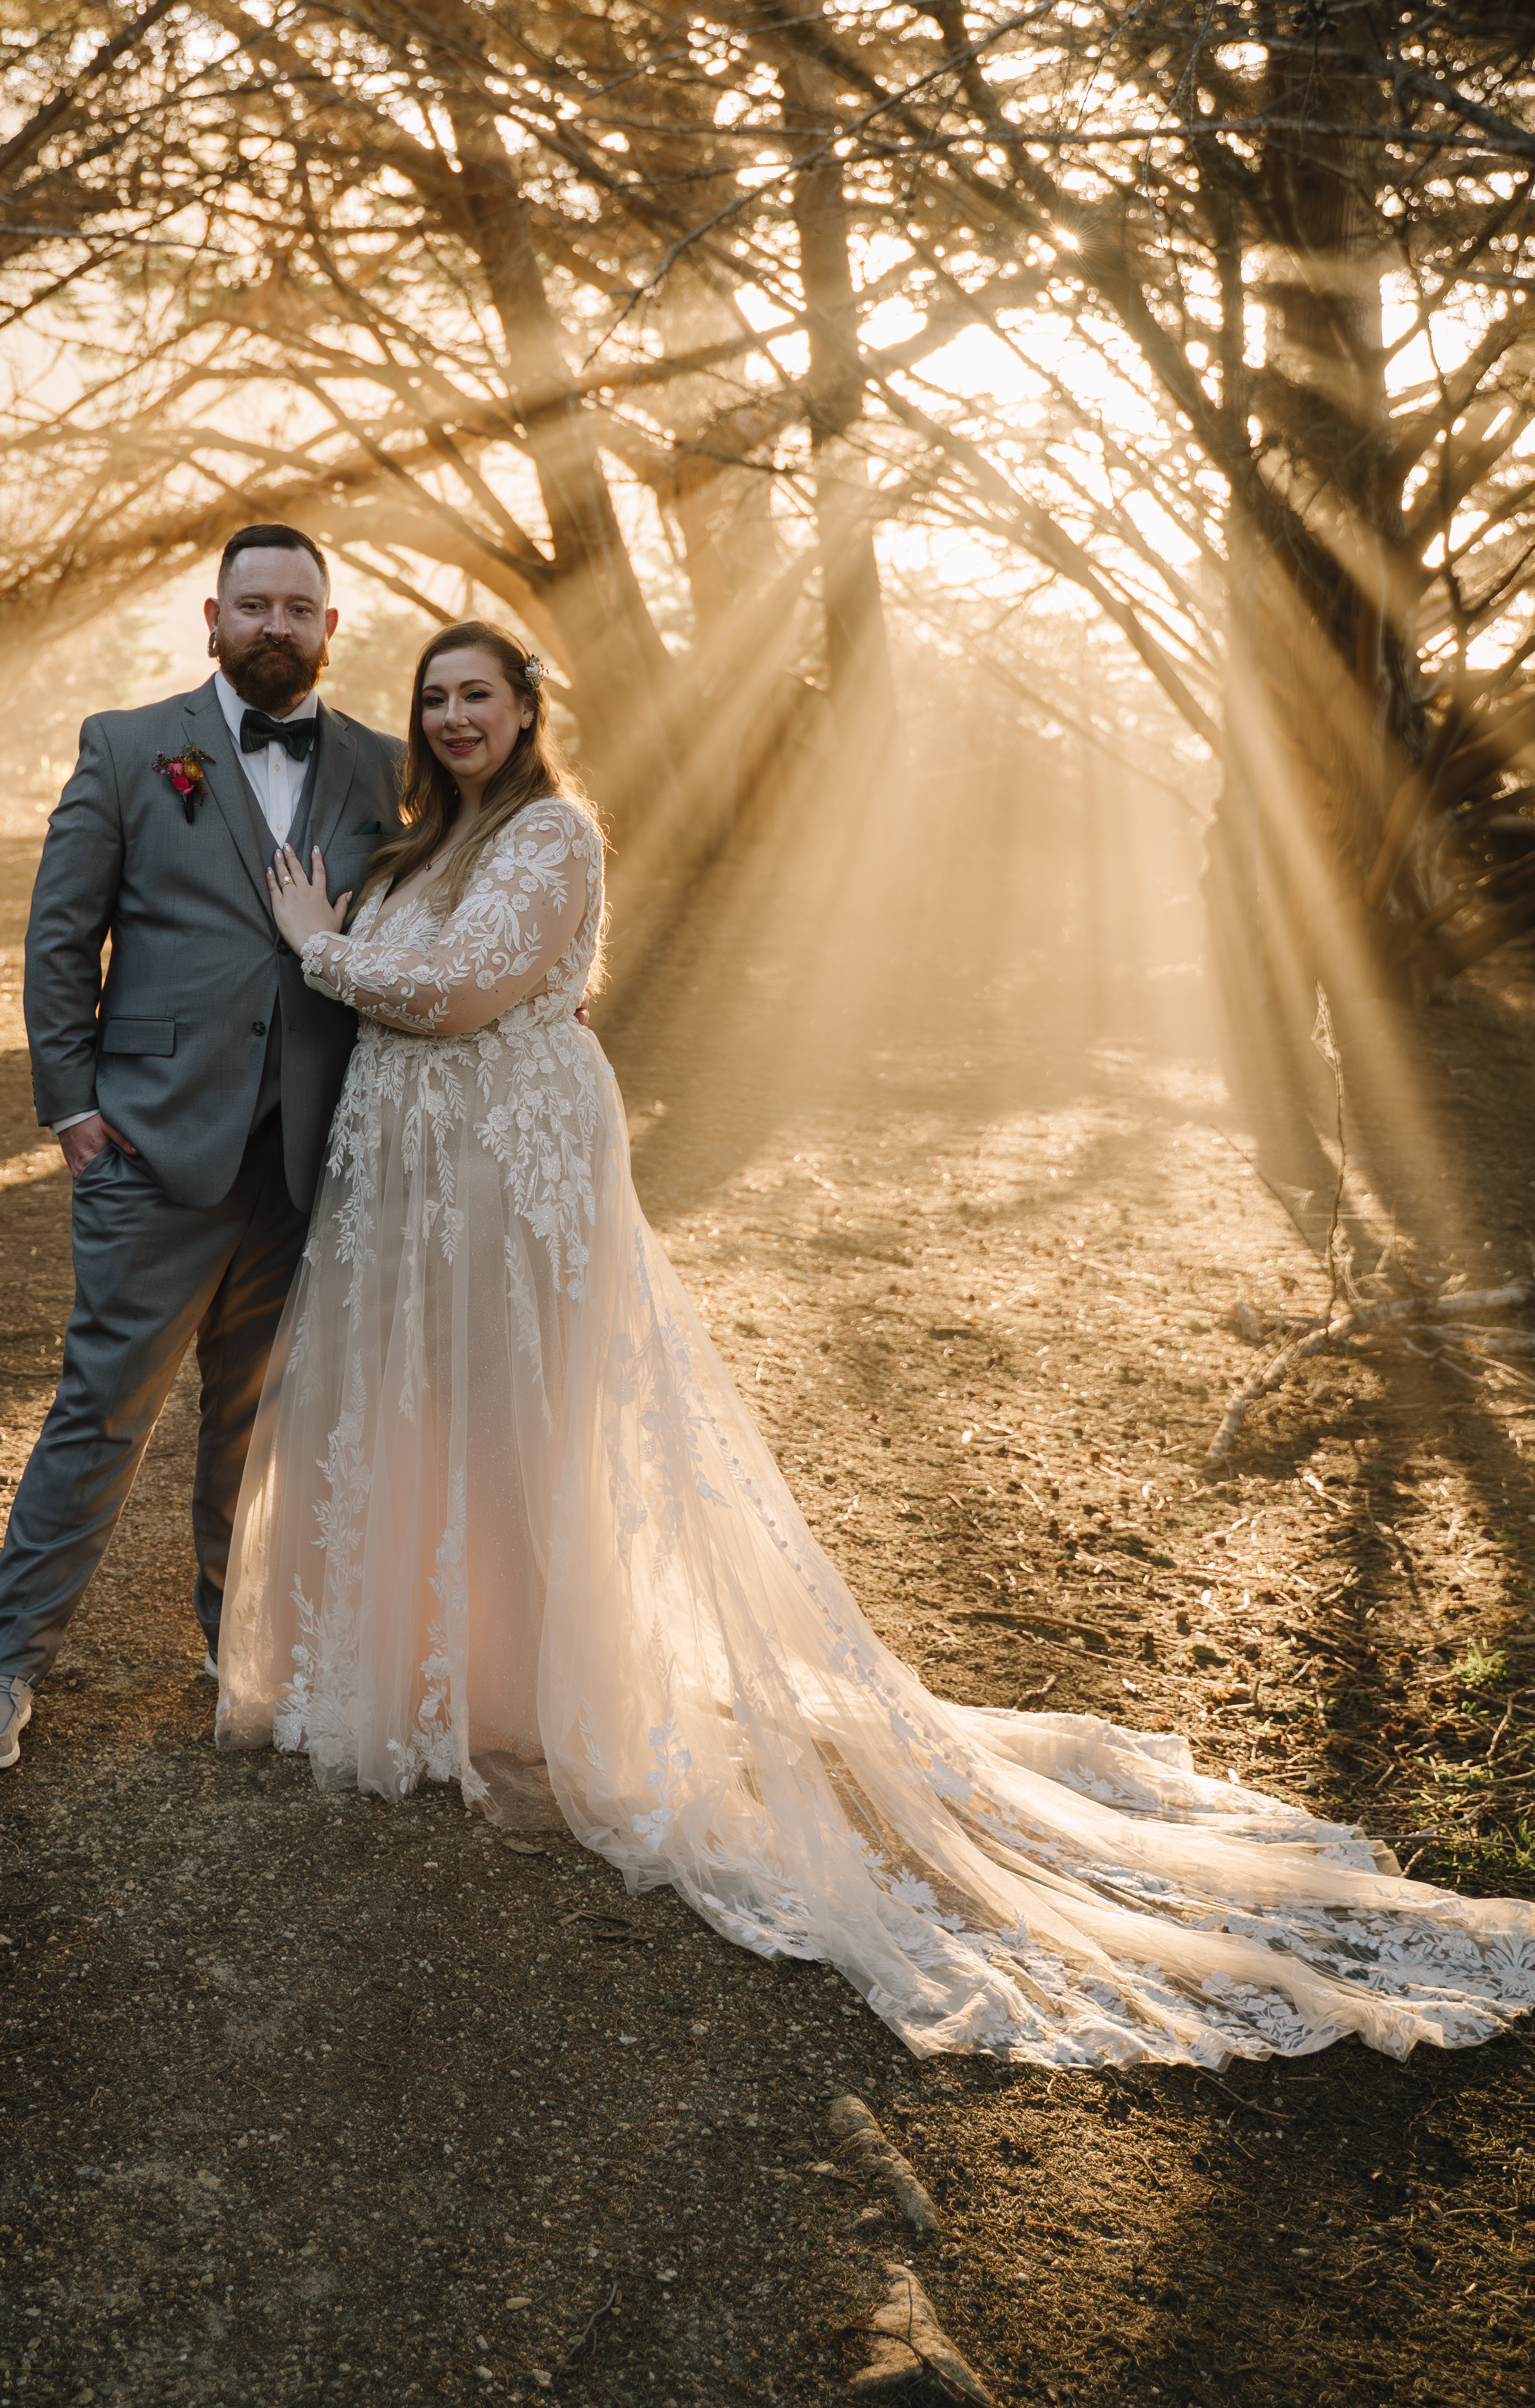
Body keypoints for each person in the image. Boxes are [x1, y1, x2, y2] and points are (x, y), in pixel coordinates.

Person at [218, 620, 1535, 2066]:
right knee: (428, 1426)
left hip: (507, 1179)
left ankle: (527, 1715)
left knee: (518, 1426)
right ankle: (430, 1678)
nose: (457, 716)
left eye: (481, 694)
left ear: (532, 709)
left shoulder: (549, 834)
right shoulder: (418, 849)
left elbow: (465, 994)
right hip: (415, 1191)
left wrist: (315, 947)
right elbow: (439, 987)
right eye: (437, 698)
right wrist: (352, 939)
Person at [0, 527, 402, 1771]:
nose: (274, 627)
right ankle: (4, 1669)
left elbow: (449, 906)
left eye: (298, 608)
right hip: (148, 1146)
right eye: (252, 605)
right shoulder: (129, 746)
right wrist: (70, 1109)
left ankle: (235, 1652)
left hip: (310, 1161)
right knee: (100, 1413)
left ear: (328, 628)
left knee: (256, 1425)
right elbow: (60, 936)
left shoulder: (383, 766)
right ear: (212, 617)